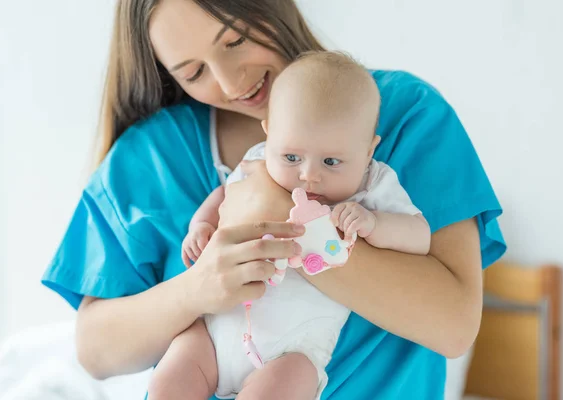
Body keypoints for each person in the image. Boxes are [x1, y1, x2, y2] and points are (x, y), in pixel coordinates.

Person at [41, 0, 506, 399]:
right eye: (194, 71)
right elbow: (95, 350)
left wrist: (279, 211)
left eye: (235, 40)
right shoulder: (150, 156)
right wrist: (198, 286)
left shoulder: (406, 115)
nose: (228, 82)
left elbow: (454, 325)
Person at [152, 51, 431, 400]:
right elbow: (225, 193)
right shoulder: (258, 162)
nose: (309, 175)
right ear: (269, 134)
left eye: (332, 161)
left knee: (286, 384)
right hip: (214, 329)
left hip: (292, 351)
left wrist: (375, 224)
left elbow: (420, 236)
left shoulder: (372, 184)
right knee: (170, 380)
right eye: (292, 157)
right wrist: (201, 226)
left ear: (368, 149)